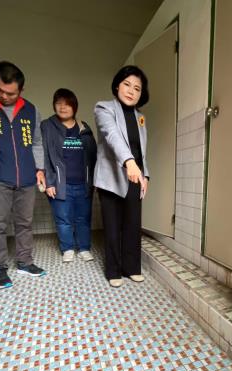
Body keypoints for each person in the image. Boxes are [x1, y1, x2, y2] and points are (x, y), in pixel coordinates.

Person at [0, 61, 46, 288]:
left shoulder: (31, 110)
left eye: (11, 93)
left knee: (25, 222)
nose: (4, 96)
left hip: (27, 177)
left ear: (21, 90)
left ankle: (25, 261)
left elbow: (37, 143)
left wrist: (40, 169)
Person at [94, 65, 150, 288]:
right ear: (117, 85)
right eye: (127, 84)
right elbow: (113, 136)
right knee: (112, 226)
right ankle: (113, 270)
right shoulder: (104, 108)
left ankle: (132, 268)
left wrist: (145, 175)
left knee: (133, 225)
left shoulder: (141, 117)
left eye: (137, 88)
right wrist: (129, 162)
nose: (131, 91)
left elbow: (141, 150)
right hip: (110, 177)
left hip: (135, 177)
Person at [41, 89, 97, 263]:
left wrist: (94, 181)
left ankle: (84, 248)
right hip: (60, 184)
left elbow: (93, 155)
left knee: (83, 219)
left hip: (83, 184)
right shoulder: (47, 126)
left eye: (67, 104)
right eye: (59, 103)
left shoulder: (84, 127)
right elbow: (43, 155)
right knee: (63, 219)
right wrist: (49, 182)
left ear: (74, 107)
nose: (63, 107)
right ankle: (67, 248)